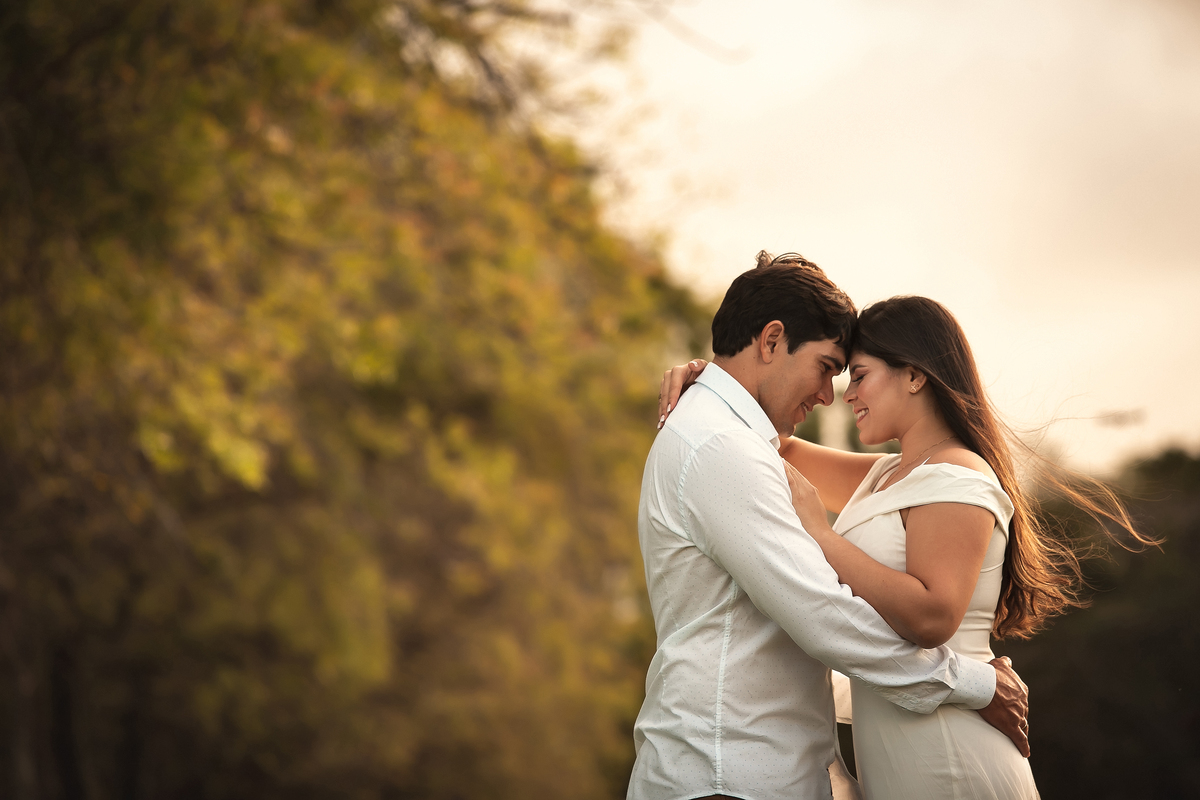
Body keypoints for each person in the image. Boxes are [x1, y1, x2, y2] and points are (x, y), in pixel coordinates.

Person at [659, 294, 1153, 800]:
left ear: (914, 375)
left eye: (860, 375)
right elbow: (770, 442)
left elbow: (932, 616)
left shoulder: (958, 477)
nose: (844, 395)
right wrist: (713, 377)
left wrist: (824, 538)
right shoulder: (885, 477)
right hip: (899, 751)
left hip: (949, 751)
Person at [630, 251, 1029, 800]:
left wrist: (712, 381)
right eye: (828, 368)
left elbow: (783, 450)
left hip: (795, 766)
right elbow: (822, 616)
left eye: (854, 375)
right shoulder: (723, 445)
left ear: (916, 376)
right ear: (771, 341)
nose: (832, 395)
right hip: (729, 773)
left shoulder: (735, 439)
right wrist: (975, 685)